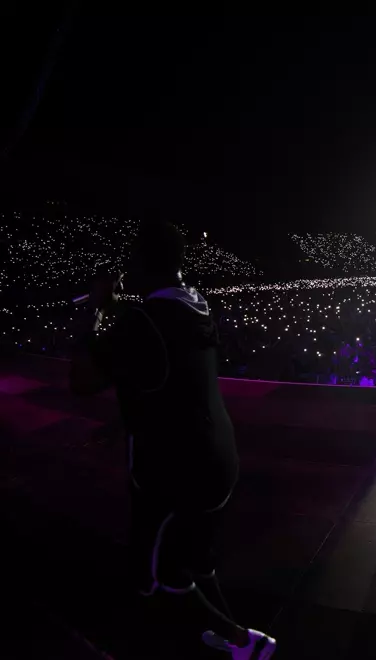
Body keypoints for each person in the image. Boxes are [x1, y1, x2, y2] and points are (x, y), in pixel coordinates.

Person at [69, 221, 276, 659]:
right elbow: (169, 381)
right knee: (196, 558)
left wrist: (94, 309)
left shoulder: (144, 319)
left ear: (143, 264)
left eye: (130, 263)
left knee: (161, 575)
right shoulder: (196, 305)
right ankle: (235, 638)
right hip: (217, 457)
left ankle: (245, 643)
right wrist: (125, 421)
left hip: (174, 469)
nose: (124, 273)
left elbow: (83, 381)